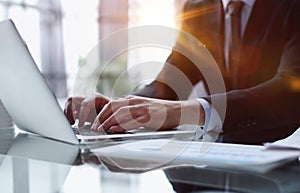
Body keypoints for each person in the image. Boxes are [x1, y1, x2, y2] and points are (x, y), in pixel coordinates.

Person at [64, 0, 300, 145]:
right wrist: (121, 107)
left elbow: (290, 93)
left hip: (285, 154)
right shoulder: (199, 8)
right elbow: (169, 83)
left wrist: (187, 111)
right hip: (223, 157)